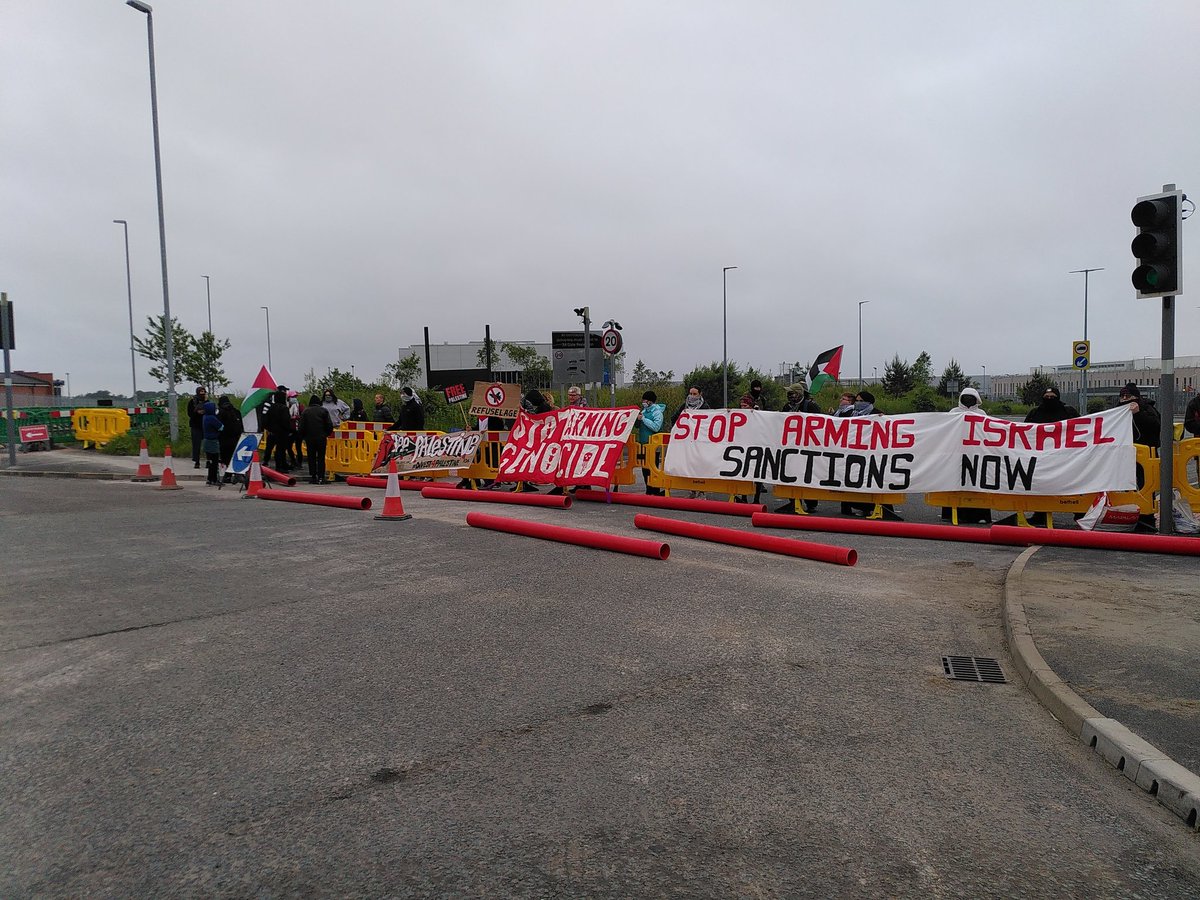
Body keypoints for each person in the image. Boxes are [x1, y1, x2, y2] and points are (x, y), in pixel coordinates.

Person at [942, 387, 991, 524]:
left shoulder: (981, 413)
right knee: (957, 482)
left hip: (976, 453)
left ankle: (980, 514)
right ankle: (953, 512)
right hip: (957, 452)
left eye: (971, 397)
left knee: (976, 482)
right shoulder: (954, 412)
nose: (968, 400)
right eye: (966, 397)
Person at [297, 394, 334, 484]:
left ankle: (313, 476)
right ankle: (321, 477)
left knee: (311, 457)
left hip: (309, 438)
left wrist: (303, 437)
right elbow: (329, 425)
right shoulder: (323, 411)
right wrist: (326, 434)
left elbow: (301, 427)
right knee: (321, 457)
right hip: (321, 437)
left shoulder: (305, 411)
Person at [635, 390, 666, 495]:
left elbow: (656, 427)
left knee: (653, 469)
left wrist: (643, 419)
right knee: (645, 469)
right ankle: (648, 490)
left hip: (653, 446)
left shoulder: (657, 412)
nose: (643, 402)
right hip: (643, 445)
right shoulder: (643, 411)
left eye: (645, 400)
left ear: (650, 401)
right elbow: (637, 426)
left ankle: (655, 491)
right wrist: (638, 420)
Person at [1118, 383, 1161, 448]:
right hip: (1125, 449)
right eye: (1122, 396)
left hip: (1147, 448)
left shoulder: (1147, 408)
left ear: (1135, 397)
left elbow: (1156, 425)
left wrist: (1138, 414)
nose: (1124, 398)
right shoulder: (1118, 410)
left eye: (1128, 396)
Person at [263, 386, 293, 471]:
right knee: (280, 450)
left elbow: (265, 420)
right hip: (282, 433)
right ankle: (280, 466)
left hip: (271, 432)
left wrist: (269, 428)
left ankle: (266, 461)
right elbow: (286, 421)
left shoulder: (271, 408)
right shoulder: (284, 409)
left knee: (269, 448)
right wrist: (288, 430)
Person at [216, 394, 243, 484]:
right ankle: (236, 474)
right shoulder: (236, 411)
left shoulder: (220, 412)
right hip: (236, 438)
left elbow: (218, 425)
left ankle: (226, 476)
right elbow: (241, 425)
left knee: (224, 458)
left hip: (224, 438)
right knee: (234, 457)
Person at [200, 400, 223, 486]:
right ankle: (214, 479)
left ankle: (209, 479)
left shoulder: (205, 417)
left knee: (210, 461)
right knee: (215, 461)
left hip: (206, 441)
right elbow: (221, 427)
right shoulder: (212, 418)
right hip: (213, 441)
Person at [186, 386, 207, 468]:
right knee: (196, 444)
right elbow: (189, 413)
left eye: (203, 391)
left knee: (207, 444)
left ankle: (208, 461)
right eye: (201, 392)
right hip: (195, 425)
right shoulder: (192, 402)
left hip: (205, 425)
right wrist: (197, 412)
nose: (202, 393)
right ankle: (197, 461)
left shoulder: (207, 402)